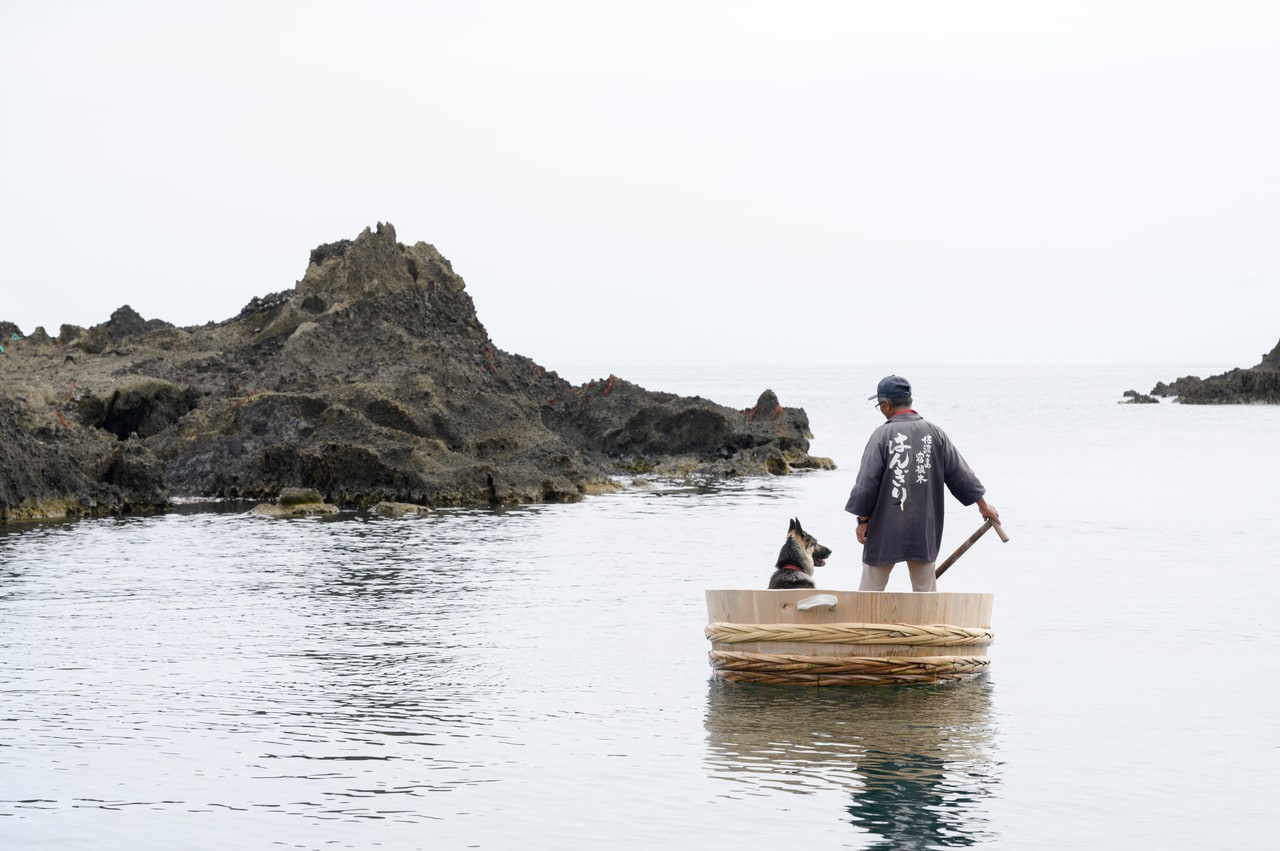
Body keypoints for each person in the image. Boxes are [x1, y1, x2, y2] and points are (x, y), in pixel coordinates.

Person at [844, 375, 1000, 592]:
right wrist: (983, 505)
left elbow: (866, 482)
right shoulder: (935, 433)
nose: (880, 409)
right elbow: (960, 473)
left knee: (871, 588)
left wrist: (862, 519)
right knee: (925, 590)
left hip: (884, 527)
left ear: (887, 404)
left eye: (879, 404)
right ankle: (927, 625)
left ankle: (865, 625)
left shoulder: (882, 435)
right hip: (923, 527)